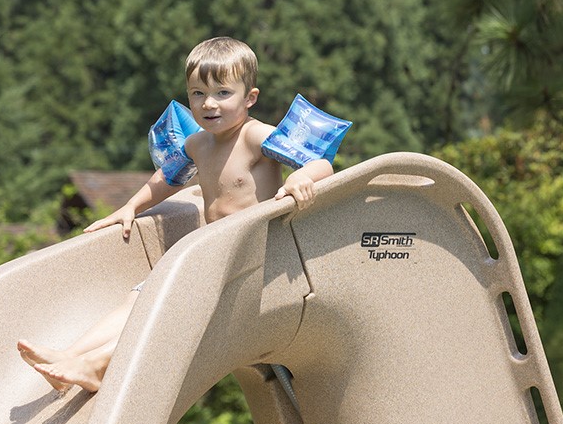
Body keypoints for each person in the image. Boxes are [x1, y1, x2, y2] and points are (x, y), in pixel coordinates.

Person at [17, 37, 334, 393]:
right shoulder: (197, 143)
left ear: (250, 98)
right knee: (140, 296)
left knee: (167, 305)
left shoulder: (255, 136)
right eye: (197, 94)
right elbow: (167, 178)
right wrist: (130, 207)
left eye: (222, 93)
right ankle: (69, 355)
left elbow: (319, 162)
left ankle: (97, 365)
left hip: (253, 258)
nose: (208, 104)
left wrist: (303, 178)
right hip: (214, 251)